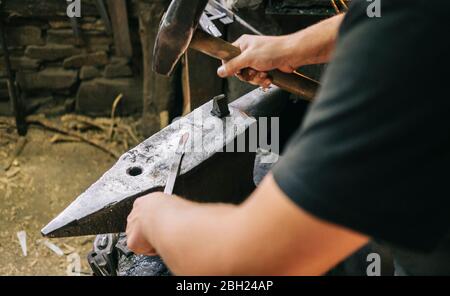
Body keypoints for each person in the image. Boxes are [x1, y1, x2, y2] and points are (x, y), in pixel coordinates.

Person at [126, 0, 450, 275]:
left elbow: (247, 261)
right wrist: (288, 48)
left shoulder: (408, 47)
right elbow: (379, 14)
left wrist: (155, 215)